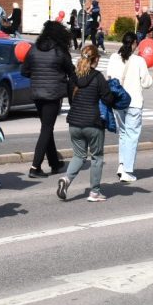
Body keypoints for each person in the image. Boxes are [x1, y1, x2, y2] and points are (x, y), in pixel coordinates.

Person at [57, 46, 115, 202]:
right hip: (93, 123)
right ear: (95, 59)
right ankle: (94, 192)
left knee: (79, 155)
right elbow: (108, 98)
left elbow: (71, 100)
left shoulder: (74, 77)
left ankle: (67, 179)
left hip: (74, 123)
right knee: (96, 157)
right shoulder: (97, 77)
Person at [20, 20, 75, 178]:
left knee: (46, 127)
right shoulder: (59, 51)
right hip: (53, 94)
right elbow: (71, 71)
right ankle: (35, 167)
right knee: (46, 129)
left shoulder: (34, 49)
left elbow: (24, 71)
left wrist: (36, 75)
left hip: (37, 94)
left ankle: (54, 163)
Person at [106, 31, 153, 181]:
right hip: (134, 103)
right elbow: (147, 83)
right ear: (134, 44)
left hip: (119, 101)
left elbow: (110, 77)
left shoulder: (114, 58)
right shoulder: (139, 61)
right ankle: (127, 170)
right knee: (132, 135)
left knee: (123, 134)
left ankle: (122, 164)